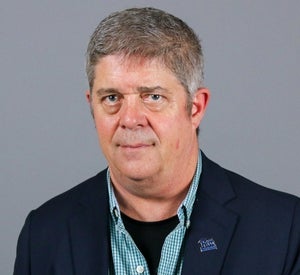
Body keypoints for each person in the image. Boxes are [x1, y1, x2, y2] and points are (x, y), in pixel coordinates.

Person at [14, 7, 300, 275]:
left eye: (153, 97)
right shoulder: (43, 235)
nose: (130, 119)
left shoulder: (285, 229)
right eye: (111, 98)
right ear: (92, 106)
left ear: (195, 108)